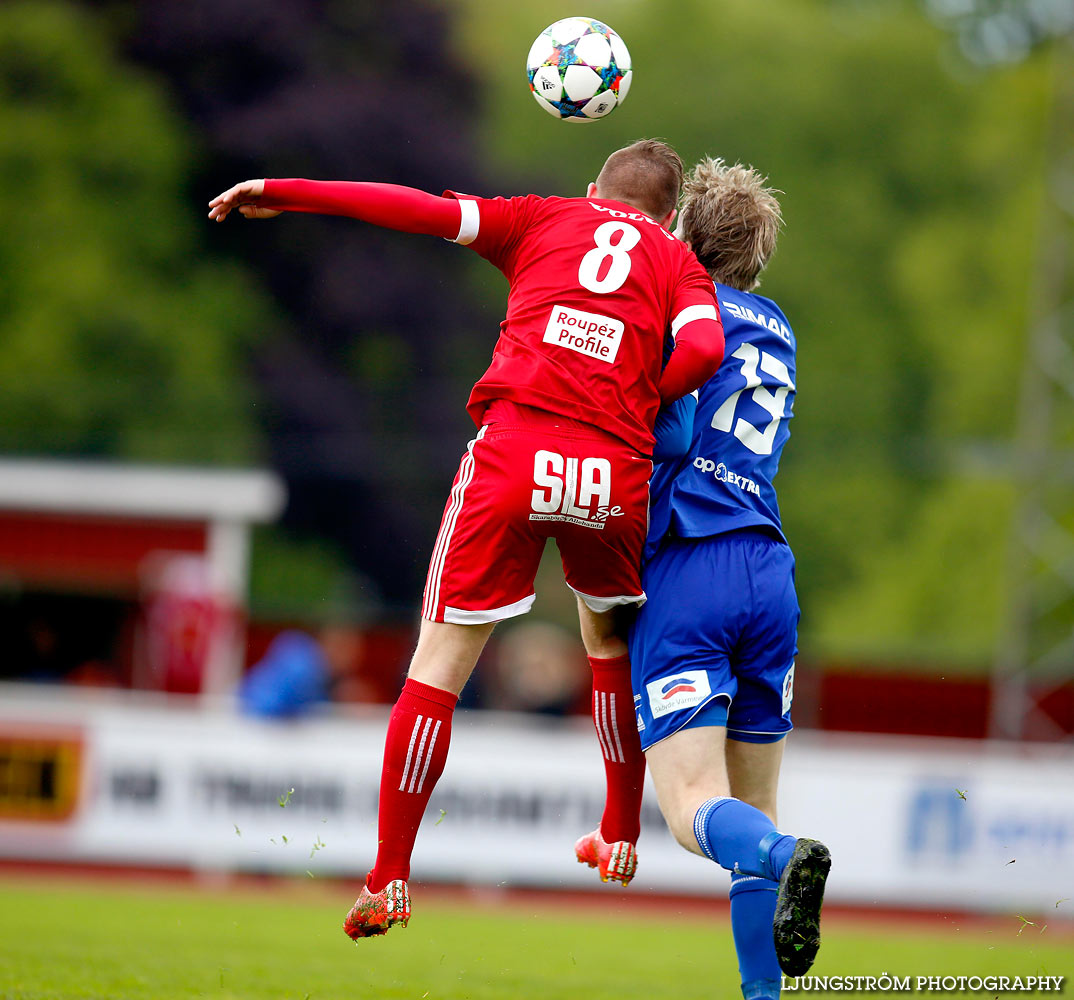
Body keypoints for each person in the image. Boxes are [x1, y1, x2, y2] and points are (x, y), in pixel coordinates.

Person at [209, 139, 725, 938]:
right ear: (668, 216)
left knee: (439, 669)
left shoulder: (540, 218)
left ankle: (388, 878)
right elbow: (703, 349)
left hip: (515, 451)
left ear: (595, 189)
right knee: (606, 647)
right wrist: (632, 391)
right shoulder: (677, 264)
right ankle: (621, 832)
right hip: (610, 471)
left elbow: (415, 206)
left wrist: (285, 189)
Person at [616, 158, 829, 994]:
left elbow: (667, 435)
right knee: (755, 808)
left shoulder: (678, 307)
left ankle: (788, 857)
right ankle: (763, 992)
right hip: (770, 568)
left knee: (690, 811)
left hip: (692, 561)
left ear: (680, 235)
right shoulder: (776, 326)